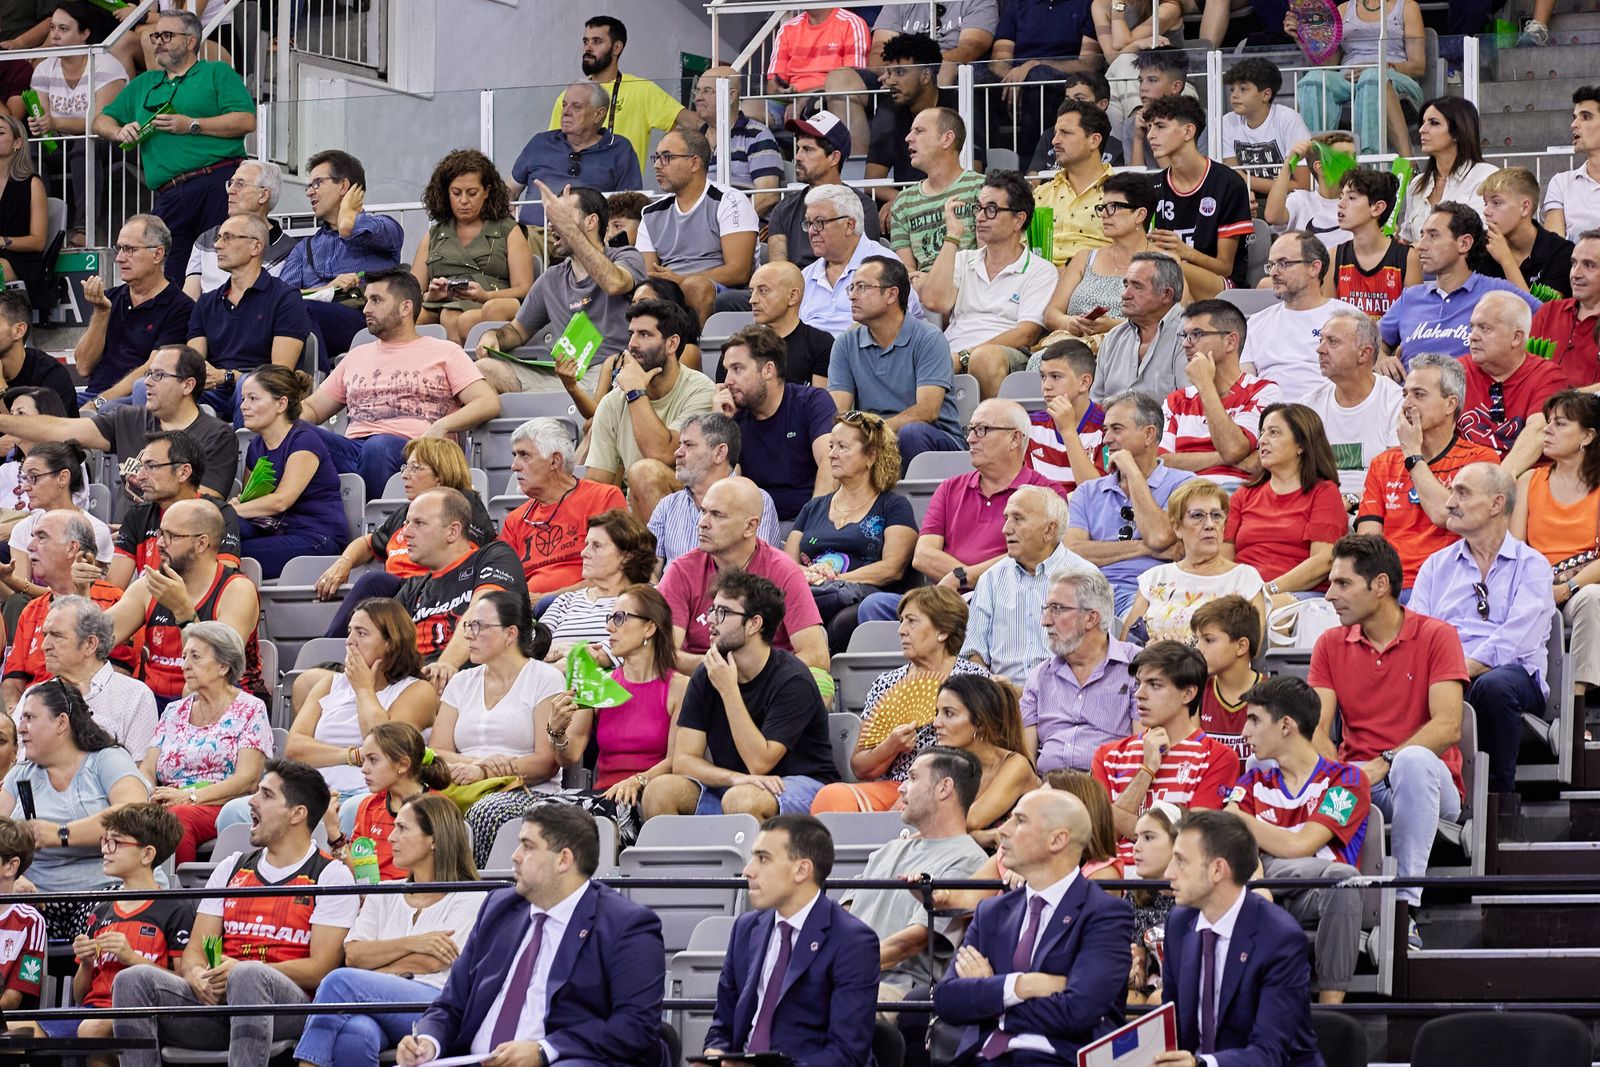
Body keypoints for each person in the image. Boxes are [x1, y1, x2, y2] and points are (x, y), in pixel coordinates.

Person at [112, 760, 359, 1066]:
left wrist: (244, 969)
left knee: (247, 974)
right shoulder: (232, 867)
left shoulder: (330, 875)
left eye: (266, 795)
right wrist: (197, 976)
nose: (252, 801)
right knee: (133, 979)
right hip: (220, 1006)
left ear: (298, 814)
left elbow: (321, 969)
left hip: (290, 1011)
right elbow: (194, 954)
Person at [395, 804, 667, 1067]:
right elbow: (451, 1004)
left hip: (565, 1059)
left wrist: (544, 1050)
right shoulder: (499, 908)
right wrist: (427, 1043)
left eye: (528, 846)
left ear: (564, 859)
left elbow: (635, 1027)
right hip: (473, 1059)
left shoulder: (626, 925)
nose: (514, 855)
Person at [1312, 534, 1466, 940]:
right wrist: (1337, 770)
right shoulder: (1329, 643)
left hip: (1431, 786)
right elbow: (1315, 728)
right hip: (1361, 780)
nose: (1329, 595)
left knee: (1412, 762)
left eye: (1342, 584)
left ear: (1380, 585)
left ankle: (1402, 908)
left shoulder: (1437, 635)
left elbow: (1449, 725)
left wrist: (1385, 762)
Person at [932, 788, 1133, 1063]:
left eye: (1020, 820)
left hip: (1055, 1058)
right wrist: (1020, 986)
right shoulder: (992, 911)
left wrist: (991, 993)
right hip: (983, 1057)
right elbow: (946, 1000)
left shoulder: (1104, 913)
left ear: (1057, 840)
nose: (1003, 830)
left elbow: (1079, 1011)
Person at [292, 793, 482, 1067]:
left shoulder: (471, 896)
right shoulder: (384, 892)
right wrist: (414, 943)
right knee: (356, 1034)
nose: (391, 838)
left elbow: (436, 960)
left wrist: (370, 974)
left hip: (437, 1008)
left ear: (435, 839)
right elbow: (355, 955)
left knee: (338, 982)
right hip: (382, 1005)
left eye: (402, 828)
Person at [642, 571, 838, 819]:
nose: (711, 620)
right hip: (739, 786)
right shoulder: (706, 674)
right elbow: (684, 761)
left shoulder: (792, 679)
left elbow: (760, 762)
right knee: (659, 791)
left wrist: (729, 690)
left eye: (723, 612)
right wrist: (733, 778)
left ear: (754, 624)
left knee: (741, 799)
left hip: (803, 784)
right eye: (712, 610)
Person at [855, 398, 1067, 626]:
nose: (970, 438)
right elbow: (923, 556)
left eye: (982, 430)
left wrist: (964, 578)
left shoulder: (1047, 494)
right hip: (947, 600)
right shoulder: (949, 488)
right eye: (970, 429)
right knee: (875, 605)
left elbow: (1035, 555)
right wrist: (961, 580)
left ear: (1015, 438)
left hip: (1008, 601)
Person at [1410, 462, 1554, 793]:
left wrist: (1452, 673)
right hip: (1446, 675)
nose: (1449, 502)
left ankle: (1496, 803)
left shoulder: (1533, 566)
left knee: (1494, 686)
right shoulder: (1436, 565)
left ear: (1496, 504)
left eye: (1462, 493)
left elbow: (1515, 642)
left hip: (1511, 676)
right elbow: (1416, 633)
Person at [301, 268, 500, 502]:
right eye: (367, 301)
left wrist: (442, 426)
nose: (366, 309)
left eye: (376, 300)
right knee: (293, 432)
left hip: (416, 452)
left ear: (406, 308)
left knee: (378, 446)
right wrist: (281, 420)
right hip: (353, 450)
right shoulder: (355, 356)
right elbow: (313, 410)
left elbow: (488, 402)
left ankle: (380, 525)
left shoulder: (445, 352)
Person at [1228, 676, 1369, 1005]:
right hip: (1261, 891)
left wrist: (1242, 825)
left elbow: (1300, 845)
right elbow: (1231, 843)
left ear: (1286, 725)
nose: (1244, 732)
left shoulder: (1347, 780)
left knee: (1343, 881)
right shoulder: (1253, 780)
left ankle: (1331, 1016)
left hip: (1313, 895)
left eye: (1254, 720)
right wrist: (1258, 874)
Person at [700, 813, 877, 1065]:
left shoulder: (852, 940)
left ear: (802, 870)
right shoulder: (745, 929)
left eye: (763, 859)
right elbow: (722, 1026)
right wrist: (714, 1055)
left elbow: (847, 1053)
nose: (748, 871)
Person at [91, 8, 253, 282]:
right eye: (155, 36)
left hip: (218, 182)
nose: (157, 42)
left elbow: (246, 120)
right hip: (170, 194)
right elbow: (100, 120)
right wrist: (119, 131)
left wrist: (191, 124)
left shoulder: (216, 72)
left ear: (191, 41)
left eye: (167, 35)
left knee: (221, 269)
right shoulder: (144, 83)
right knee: (168, 277)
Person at [255, 598, 437, 841]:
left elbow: (388, 747)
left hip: (370, 793)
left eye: (362, 633)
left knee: (353, 810)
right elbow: (296, 748)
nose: (350, 641)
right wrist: (352, 755)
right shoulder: (329, 684)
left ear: (391, 643)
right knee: (235, 812)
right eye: (350, 631)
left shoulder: (416, 691)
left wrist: (364, 690)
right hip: (315, 791)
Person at [1155, 809, 1321, 1067]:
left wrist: (1200, 1065)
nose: (1168, 873)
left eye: (1181, 861)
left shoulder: (1280, 939)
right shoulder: (1178, 924)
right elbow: (1172, 1027)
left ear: (1218, 870)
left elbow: (1270, 1053)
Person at [532, 583, 685, 848]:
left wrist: (637, 780)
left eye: (620, 618)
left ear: (650, 627)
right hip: (602, 795)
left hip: (646, 795)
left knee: (593, 822)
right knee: (540, 815)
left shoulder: (677, 687)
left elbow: (678, 759)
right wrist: (556, 730)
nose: (609, 628)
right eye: (610, 618)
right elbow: (569, 756)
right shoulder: (599, 684)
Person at [814, 586, 986, 812]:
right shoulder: (887, 682)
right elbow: (860, 766)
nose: (901, 630)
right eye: (901, 621)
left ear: (943, 631)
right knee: (831, 797)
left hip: (954, 783)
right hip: (896, 785)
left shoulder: (975, 680)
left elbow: (989, 755)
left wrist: (922, 788)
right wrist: (890, 746)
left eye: (912, 621)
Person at [839, 746, 988, 1005]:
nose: (901, 787)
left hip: (897, 989)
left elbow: (910, 943)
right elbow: (845, 913)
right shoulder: (889, 849)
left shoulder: (970, 859)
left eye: (913, 777)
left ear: (944, 788)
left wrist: (841, 969)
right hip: (851, 980)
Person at [0, 343, 239, 497]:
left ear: (188, 385)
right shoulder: (128, 420)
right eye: (148, 374)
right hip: (126, 543)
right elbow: (61, 428)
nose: (146, 382)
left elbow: (204, 506)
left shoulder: (216, 436)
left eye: (158, 375)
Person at [431, 591, 563, 864]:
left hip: (524, 790)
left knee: (485, 811)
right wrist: (479, 766)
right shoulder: (461, 681)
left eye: (478, 626)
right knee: (413, 807)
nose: (468, 634)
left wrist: (483, 771)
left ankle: (473, 895)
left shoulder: (545, 678)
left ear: (510, 634)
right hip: (461, 783)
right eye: (468, 625)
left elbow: (545, 762)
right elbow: (437, 751)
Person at [475, 184, 644, 396]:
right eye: (553, 217)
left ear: (591, 221)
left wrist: (570, 230)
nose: (552, 224)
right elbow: (517, 331)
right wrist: (494, 335)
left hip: (611, 375)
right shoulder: (550, 279)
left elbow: (615, 283)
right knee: (482, 370)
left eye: (562, 216)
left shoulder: (626, 257)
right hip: (561, 376)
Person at [312, 438, 495, 634]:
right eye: (406, 467)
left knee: (374, 582)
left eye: (415, 468)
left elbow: (468, 562)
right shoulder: (405, 512)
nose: (405, 475)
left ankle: (332, 648)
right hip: (398, 596)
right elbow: (368, 543)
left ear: (440, 475)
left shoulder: (464, 506)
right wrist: (344, 563)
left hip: (434, 594)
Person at [1357, 354, 1499, 591]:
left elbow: (1445, 516)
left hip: (1448, 587)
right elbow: (1368, 542)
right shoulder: (1383, 463)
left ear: (1450, 404)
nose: (1407, 404)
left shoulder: (1480, 461)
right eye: (1405, 394)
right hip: (1389, 588)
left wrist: (1413, 454)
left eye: (1419, 395)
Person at [660, 476, 830, 673]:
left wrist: (752, 678)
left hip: (771, 685)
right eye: (703, 512)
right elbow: (664, 654)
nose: (703, 523)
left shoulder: (784, 570)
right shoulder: (681, 571)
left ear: (750, 526)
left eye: (717, 515)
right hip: (702, 682)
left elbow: (816, 656)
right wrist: (725, 671)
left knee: (819, 681)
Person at [106, 498, 264, 708]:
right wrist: (77, 593)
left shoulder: (237, 590)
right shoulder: (148, 586)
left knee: (194, 691)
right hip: (155, 702)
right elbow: (97, 637)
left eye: (171, 536)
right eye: (160, 533)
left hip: (222, 704)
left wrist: (183, 611)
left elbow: (216, 665)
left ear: (201, 543)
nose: (160, 543)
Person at [135, 622, 269, 866]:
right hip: (169, 801)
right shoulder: (173, 711)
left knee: (176, 819)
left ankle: (177, 896)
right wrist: (145, 796)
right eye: (184, 656)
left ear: (223, 666)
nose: (185, 664)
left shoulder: (250, 709)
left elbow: (247, 780)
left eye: (195, 657)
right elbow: (147, 769)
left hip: (221, 804)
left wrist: (190, 796)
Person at [1093, 641, 1237, 867]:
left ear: (1188, 693)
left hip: (1173, 885)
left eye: (1155, 685)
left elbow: (1189, 839)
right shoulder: (1108, 754)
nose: (1139, 694)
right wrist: (1146, 770)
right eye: (1139, 684)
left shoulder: (1218, 758)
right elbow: (1099, 838)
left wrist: (1114, 815)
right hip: (1112, 883)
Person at [61, 803, 191, 1045]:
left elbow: (185, 985)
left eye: (116, 842)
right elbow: (80, 996)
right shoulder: (100, 910)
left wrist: (131, 958)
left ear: (147, 854)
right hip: (90, 1011)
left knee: (92, 1029)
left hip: (145, 1014)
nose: (106, 850)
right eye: (105, 840)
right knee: (12, 1029)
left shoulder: (176, 908)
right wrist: (87, 962)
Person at [922, 169, 1056, 399]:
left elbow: (1026, 334)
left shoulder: (1040, 270)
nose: (980, 217)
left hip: (1006, 355)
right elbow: (935, 302)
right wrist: (952, 238)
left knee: (984, 358)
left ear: (1018, 219)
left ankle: (990, 429)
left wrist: (965, 356)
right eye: (978, 208)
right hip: (951, 353)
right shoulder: (964, 260)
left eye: (991, 209)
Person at [785, 410, 916, 644]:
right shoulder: (812, 508)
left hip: (861, 596)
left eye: (842, 447)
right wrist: (812, 575)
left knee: (843, 621)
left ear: (871, 456)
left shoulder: (893, 506)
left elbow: (892, 569)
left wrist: (839, 579)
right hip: (813, 591)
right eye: (831, 446)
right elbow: (787, 565)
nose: (832, 455)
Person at [828, 255, 965, 464]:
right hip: (872, 440)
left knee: (912, 433)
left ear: (891, 294)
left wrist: (871, 433)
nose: (852, 296)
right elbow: (838, 409)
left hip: (934, 440)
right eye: (852, 287)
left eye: (862, 287)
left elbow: (927, 411)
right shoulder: (845, 344)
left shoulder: (929, 338)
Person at [1066, 391, 1193, 614]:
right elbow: (1073, 552)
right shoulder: (1088, 491)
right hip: (1090, 595)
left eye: (1116, 429)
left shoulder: (1183, 484)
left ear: (1148, 434)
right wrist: (1146, 548)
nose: (1105, 439)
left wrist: (1133, 474)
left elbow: (1160, 536)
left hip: (1154, 596)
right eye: (1105, 430)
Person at [1378, 203, 1541, 377]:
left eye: (1433, 236)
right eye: (1422, 235)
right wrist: (1380, 358)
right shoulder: (1410, 297)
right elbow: (1373, 341)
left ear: (1464, 243)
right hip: (1405, 398)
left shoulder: (1497, 292)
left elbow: (1553, 320)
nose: (1420, 246)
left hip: (1470, 400)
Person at [1513, 391, 1600, 713]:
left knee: (1592, 599)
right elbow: (1515, 551)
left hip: (1580, 588)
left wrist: (1566, 588)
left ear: (1588, 436)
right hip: (1536, 588)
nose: (1546, 430)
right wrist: (1540, 589)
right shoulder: (1528, 480)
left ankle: (1575, 707)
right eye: (1548, 422)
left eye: (1560, 424)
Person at [182, 213, 312, 420]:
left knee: (249, 386)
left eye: (228, 237)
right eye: (218, 238)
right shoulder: (206, 303)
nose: (217, 245)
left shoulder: (285, 298)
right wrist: (200, 374)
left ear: (256, 247)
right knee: (152, 386)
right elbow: (192, 364)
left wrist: (229, 377)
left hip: (262, 393)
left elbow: (278, 376)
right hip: (212, 392)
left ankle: (248, 451)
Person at [278, 149, 405, 361]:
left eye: (317, 183)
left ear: (344, 186)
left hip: (366, 319)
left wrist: (348, 219)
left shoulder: (385, 227)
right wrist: (326, 289)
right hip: (313, 318)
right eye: (308, 186)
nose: (309, 192)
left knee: (302, 312)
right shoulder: (304, 248)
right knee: (285, 313)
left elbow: (352, 229)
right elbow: (282, 296)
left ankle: (314, 383)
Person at [824, 6, 998, 156]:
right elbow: (878, 52)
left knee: (946, 68)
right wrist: (895, 72)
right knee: (840, 78)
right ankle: (855, 171)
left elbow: (970, 48)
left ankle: (937, 153)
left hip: (944, 68)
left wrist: (920, 66)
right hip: (900, 67)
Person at [1, 510, 132, 708]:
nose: (30, 546)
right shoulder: (31, 610)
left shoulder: (116, 602)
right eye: (32, 537)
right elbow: (12, 682)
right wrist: (17, 719)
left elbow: (118, 676)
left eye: (42, 537)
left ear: (72, 548)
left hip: (89, 715)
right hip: (34, 718)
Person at [392, 488, 528, 676]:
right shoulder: (412, 588)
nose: (406, 533)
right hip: (413, 684)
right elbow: (380, 638)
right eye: (407, 523)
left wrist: (445, 667)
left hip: (469, 682)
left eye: (419, 523)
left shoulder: (494, 556)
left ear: (452, 531)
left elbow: (482, 613)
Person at [965, 486, 1090, 687]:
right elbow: (973, 651)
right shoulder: (991, 579)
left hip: (1066, 697)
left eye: (1018, 518)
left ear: (1049, 530)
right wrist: (990, 694)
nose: (1006, 529)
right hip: (1002, 703)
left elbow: (1094, 657)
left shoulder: (1086, 577)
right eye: (1006, 518)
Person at [584, 297, 715, 490]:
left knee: (646, 472)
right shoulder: (613, 401)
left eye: (644, 334)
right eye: (632, 334)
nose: (632, 344)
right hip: (634, 507)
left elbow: (662, 454)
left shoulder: (700, 391)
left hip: (687, 504)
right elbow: (597, 482)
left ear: (672, 344)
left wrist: (635, 392)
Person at [26, 1, 128, 248]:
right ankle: (44, 228)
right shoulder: (44, 68)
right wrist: (39, 125)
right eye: (52, 28)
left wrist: (56, 122)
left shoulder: (106, 65)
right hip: (63, 141)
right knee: (30, 151)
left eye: (63, 29)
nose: (55, 35)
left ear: (84, 34)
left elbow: (101, 122)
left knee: (83, 147)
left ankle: (84, 228)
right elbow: (44, 119)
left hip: (109, 139)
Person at [543, 15, 693, 181]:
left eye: (596, 41)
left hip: (622, 194)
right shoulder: (568, 97)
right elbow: (554, 147)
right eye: (586, 41)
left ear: (616, 48)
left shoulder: (642, 89)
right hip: (574, 192)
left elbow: (692, 122)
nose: (588, 48)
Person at [232, 365, 347, 580]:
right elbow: (253, 502)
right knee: (219, 535)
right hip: (274, 530)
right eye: (243, 399)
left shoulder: (304, 440)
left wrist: (229, 511)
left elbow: (281, 501)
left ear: (281, 404)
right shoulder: (256, 446)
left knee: (230, 551)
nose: (243, 406)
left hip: (316, 536)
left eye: (253, 399)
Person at [715, 321, 837, 519]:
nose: (727, 380)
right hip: (752, 524)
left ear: (768, 370)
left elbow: (829, 462)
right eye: (727, 370)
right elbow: (724, 489)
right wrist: (721, 426)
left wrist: (812, 525)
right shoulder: (733, 415)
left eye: (737, 369)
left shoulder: (811, 402)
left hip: (804, 519)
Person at [1225, 404, 1347, 601]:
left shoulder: (1324, 493)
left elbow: (1323, 561)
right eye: (1262, 432)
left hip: (1297, 595)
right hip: (1243, 595)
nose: (1262, 440)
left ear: (1301, 445)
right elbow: (1223, 558)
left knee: (1254, 612)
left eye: (1274, 433)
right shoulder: (1243, 494)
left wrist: (1267, 590)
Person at [1123, 479, 1267, 645]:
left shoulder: (1245, 579)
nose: (1209, 525)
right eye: (1197, 516)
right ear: (1177, 527)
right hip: (1151, 668)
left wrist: (1180, 653)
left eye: (1216, 516)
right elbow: (1126, 646)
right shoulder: (1154, 578)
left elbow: (1250, 647)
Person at [1023, 568, 1139, 775]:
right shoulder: (1040, 676)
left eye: (1057, 609)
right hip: (1047, 791)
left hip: (1109, 789)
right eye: (1046, 609)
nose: (1046, 621)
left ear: (1091, 618)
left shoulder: (1137, 667)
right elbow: (1025, 763)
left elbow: (1143, 751)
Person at [412, 149, 533, 346]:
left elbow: (524, 288)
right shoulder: (433, 235)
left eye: (472, 193)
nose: (464, 201)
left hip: (489, 303)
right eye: (456, 193)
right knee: (404, 322)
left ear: (486, 191)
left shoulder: (508, 230)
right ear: (446, 193)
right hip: (439, 306)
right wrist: (431, 295)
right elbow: (412, 292)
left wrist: (485, 296)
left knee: (454, 317)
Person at [638, 127, 758, 325]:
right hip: (668, 290)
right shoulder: (651, 213)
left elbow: (738, 271)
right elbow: (649, 274)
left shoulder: (730, 201)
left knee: (696, 286)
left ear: (694, 163)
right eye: (656, 157)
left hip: (722, 292)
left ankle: (695, 352)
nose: (658, 165)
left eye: (667, 157)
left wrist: (682, 279)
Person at [73, 215, 195, 406]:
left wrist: (100, 402)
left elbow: (152, 368)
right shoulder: (109, 299)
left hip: (136, 399)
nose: (120, 258)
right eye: (119, 249)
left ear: (157, 254)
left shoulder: (180, 307)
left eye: (129, 249)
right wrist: (101, 312)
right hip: (93, 396)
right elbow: (82, 367)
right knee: (40, 402)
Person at [498, 418, 628, 594]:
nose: (514, 466)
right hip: (527, 614)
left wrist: (547, 599)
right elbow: (500, 583)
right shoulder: (515, 520)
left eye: (524, 455)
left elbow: (613, 574)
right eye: (515, 456)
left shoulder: (603, 498)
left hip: (586, 608)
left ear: (554, 461)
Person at [1162, 299, 1283, 485]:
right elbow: (1161, 463)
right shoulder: (1176, 400)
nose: (1186, 344)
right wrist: (1226, 458)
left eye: (1197, 334)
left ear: (1230, 341)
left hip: (1234, 497)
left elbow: (1233, 447)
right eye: (1184, 336)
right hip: (1179, 497)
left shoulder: (1263, 392)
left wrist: (1205, 385)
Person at [1144, 95, 1253, 298]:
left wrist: (1184, 252)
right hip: (1167, 281)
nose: (1150, 135)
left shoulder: (1228, 183)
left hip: (1223, 286)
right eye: (1149, 127)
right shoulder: (1152, 186)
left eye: (1160, 126)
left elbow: (1225, 267)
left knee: (1171, 266)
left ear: (1188, 131)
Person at [1042, 173, 1165, 346]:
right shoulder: (1085, 258)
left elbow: (1172, 323)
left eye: (1114, 207)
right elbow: (1052, 313)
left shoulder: (1164, 262)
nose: (1104, 214)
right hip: (1074, 346)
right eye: (1103, 207)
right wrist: (1070, 323)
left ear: (1140, 214)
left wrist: (1112, 326)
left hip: (1131, 348)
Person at [1291, 0, 1425, 158]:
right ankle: (1314, 158)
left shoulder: (1407, 6)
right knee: (1311, 80)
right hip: (1347, 76)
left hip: (1393, 73)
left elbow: (1418, 65)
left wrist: (1380, 66)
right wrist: (1302, 39)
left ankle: (1371, 161)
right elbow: (1330, 63)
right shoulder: (1342, 9)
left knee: (1371, 77)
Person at [111, 431, 241, 591]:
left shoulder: (219, 514)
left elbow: (223, 586)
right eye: (141, 467)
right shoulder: (136, 516)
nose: (140, 476)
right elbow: (112, 589)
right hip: (143, 609)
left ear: (183, 472)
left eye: (151, 466)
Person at [644, 413, 781, 565]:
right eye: (679, 445)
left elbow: (754, 573)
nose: (678, 453)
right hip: (669, 588)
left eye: (689, 445)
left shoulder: (757, 501)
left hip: (732, 588)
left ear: (719, 453)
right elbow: (648, 572)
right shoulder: (667, 506)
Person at [1241, 232, 1363, 398]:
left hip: (1326, 415)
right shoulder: (1256, 322)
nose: (1274, 273)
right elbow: (1244, 386)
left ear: (1314, 267)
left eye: (1283, 263)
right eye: (1271, 265)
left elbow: (1360, 380)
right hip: (1268, 416)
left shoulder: (1349, 318)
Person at [508, 82, 641, 228]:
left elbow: (630, 208)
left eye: (576, 107)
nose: (565, 112)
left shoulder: (619, 149)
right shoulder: (540, 142)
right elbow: (510, 190)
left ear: (598, 114)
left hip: (588, 238)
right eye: (564, 105)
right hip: (533, 236)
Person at [39, 595, 158, 754]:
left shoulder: (135, 696)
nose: (44, 646)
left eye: (57, 636)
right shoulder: (36, 696)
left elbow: (140, 771)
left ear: (90, 644)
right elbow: (20, 766)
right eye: (44, 635)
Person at [931, 673, 1040, 847]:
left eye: (949, 714)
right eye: (937, 713)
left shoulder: (1016, 765)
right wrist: (980, 837)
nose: (936, 723)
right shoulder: (949, 764)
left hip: (1015, 865)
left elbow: (970, 820)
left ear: (980, 723)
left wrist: (919, 837)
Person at [1306, 308, 1403, 499]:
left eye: (1332, 342)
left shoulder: (1395, 402)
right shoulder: (1310, 404)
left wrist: (1351, 500)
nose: (1320, 349)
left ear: (1364, 353)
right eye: (1321, 340)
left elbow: (1396, 476)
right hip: (1320, 508)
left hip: (1377, 507)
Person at [539, 509, 658, 663]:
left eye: (596, 546)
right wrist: (563, 650)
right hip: (551, 683)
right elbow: (531, 649)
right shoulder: (565, 600)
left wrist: (569, 657)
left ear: (626, 557)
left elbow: (627, 650)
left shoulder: (647, 599)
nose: (583, 553)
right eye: (586, 544)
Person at [1457, 290, 1566, 457]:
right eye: (1472, 327)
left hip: (1522, 476)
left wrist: (1498, 480)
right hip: (1460, 474)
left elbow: (1537, 431)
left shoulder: (1547, 376)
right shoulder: (1456, 370)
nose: (1472, 336)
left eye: (1484, 328)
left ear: (1516, 337)